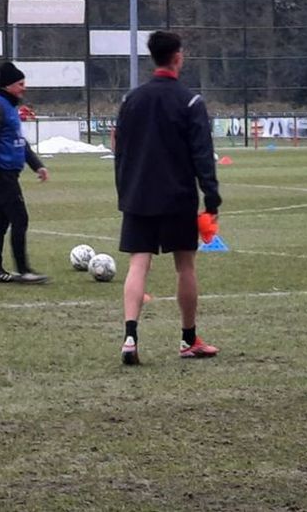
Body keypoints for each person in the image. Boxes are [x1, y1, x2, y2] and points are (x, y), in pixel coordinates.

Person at [114, 31, 221, 366]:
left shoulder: (131, 100)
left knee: (138, 264)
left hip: (138, 195)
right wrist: (212, 196)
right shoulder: (190, 101)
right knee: (185, 265)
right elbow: (203, 154)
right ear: (177, 57)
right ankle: (188, 339)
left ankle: (130, 337)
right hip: (177, 196)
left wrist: (124, 191)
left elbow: (120, 151)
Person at [0, 62, 50, 284]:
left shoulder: (9, 107)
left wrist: (37, 165)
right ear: (9, 85)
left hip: (8, 172)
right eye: (20, 84)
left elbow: (19, 141)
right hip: (1, 173)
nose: (24, 88)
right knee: (20, 218)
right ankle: (23, 270)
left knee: (0, 221)